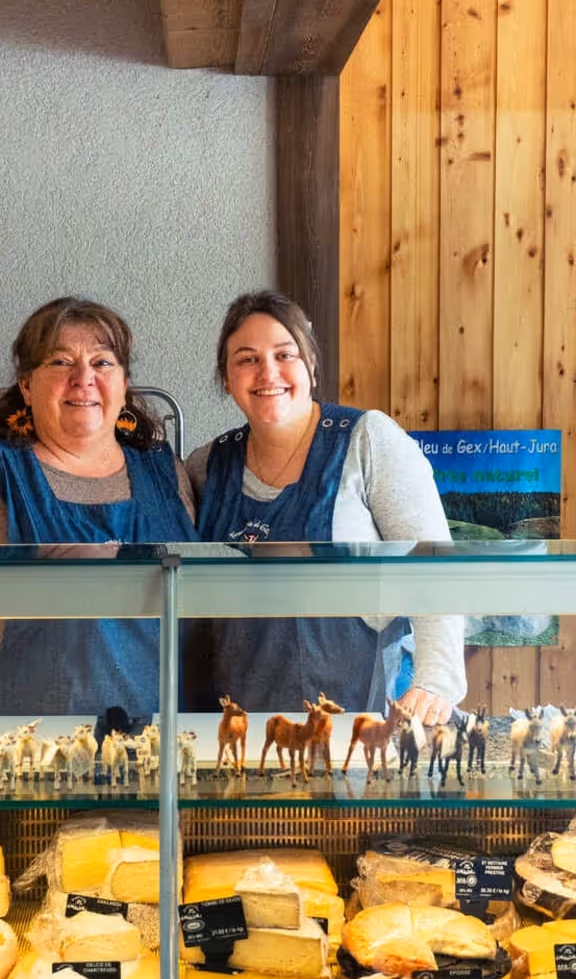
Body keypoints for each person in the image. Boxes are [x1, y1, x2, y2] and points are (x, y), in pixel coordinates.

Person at [0, 297, 198, 722]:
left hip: (160, 737)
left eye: (102, 363)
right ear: (27, 386)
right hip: (16, 744)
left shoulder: (168, 474)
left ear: (123, 386)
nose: (83, 379)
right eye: (61, 363)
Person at [186, 290, 466, 724]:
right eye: (247, 359)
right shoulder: (207, 465)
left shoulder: (366, 440)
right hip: (229, 718)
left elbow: (433, 561)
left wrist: (437, 679)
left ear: (311, 366)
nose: (268, 372)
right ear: (226, 378)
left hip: (353, 712)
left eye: (285, 354)